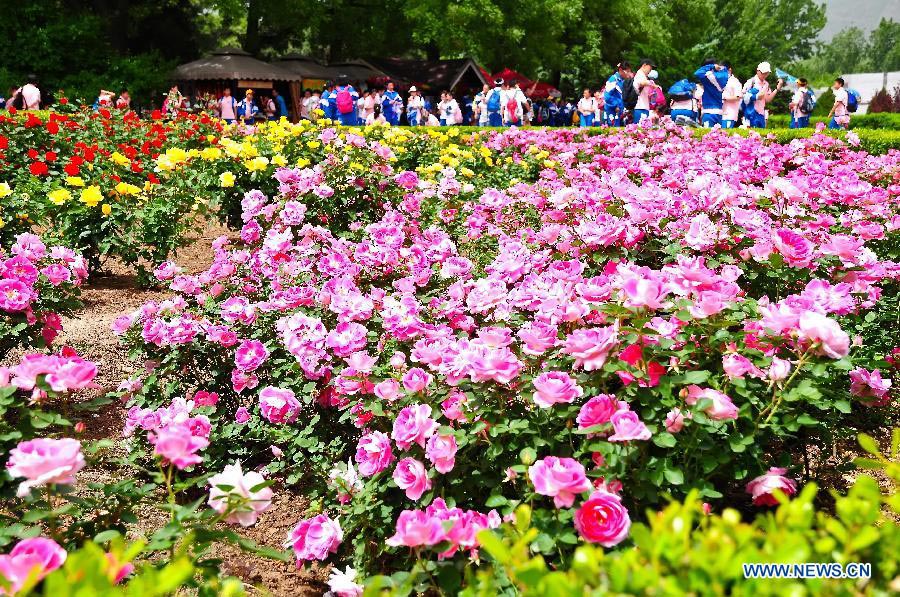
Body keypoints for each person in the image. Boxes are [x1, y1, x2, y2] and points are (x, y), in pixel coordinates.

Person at [741, 62, 782, 128]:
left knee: (761, 136)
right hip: (751, 113)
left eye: (767, 73)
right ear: (758, 71)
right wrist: (756, 97)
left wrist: (777, 89)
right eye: (763, 73)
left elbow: (768, 99)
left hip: (761, 114)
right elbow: (742, 97)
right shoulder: (751, 82)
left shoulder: (766, 84)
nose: (765, 75)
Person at [693, 58, 729, 127]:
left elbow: (697, 73)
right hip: (719, 112)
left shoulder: (708, 76)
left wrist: (711, 66)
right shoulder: (722, 76)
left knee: (708, 136)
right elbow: (725, 70)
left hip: (708, 112)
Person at [632, 59, 656, 124]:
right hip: (640, 107)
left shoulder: (644, 76)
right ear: (644, 65)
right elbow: (642, 83)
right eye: (650, 67)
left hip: (643, 106)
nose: (650, 70)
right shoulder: (640, 73)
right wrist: (652, 83)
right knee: (639, 130)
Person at [720, 63, 742, 128]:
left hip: (729, 114)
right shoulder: (720, 80)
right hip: (720, 113)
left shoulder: (735, 81)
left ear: (729, 70)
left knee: (726, 135)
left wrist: (724, 98)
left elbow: (738, 96)